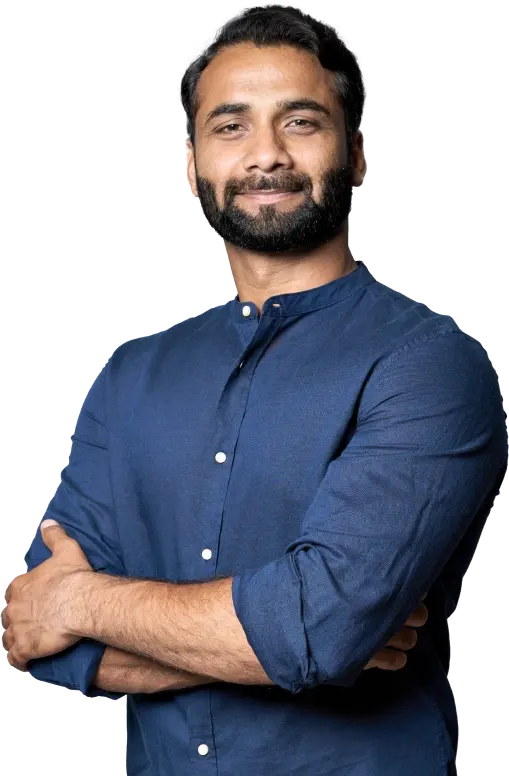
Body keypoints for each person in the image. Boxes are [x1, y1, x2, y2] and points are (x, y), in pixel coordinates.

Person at [12, 4, 507, 775]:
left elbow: (318, 626)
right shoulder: (132, 372)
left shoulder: (428, 366)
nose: (265, 156)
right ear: (192, 163)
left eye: (301, 123)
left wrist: (82, 603)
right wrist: (297, 641)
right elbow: (32, 633)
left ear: (356, 155)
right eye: (231, 126)